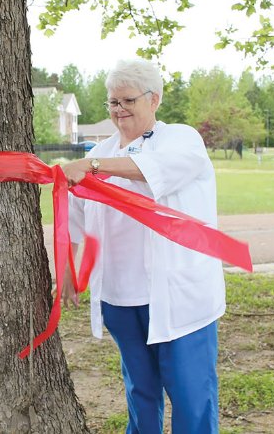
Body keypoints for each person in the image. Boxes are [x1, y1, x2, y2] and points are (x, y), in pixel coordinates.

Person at [62, 58, 224, 434]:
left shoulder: (181, 139)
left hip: (179, 297)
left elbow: (157, 171)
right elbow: (74, 219)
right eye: (112, 102)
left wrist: (94, 165)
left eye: (128, 101)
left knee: (191, 395)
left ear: (154, 100)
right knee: (141, 393)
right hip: (121, 296)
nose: (119, 111)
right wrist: (68, 270)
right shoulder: (101, 153)